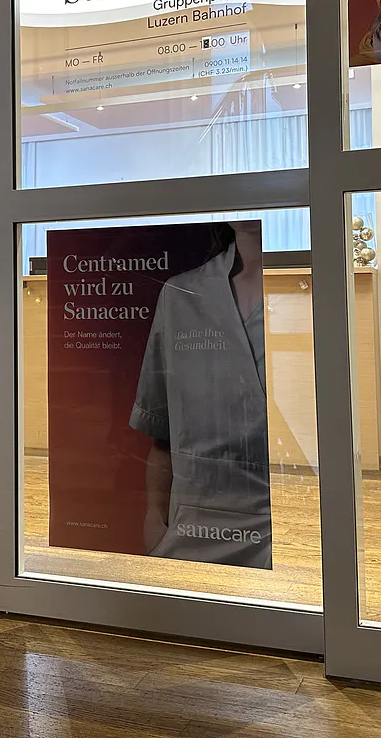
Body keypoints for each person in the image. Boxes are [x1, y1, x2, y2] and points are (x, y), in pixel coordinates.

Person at [130, 222, 273, 569]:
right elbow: (162, 431)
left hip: (280, 525)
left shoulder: (311, 289)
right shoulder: (182, 294)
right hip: (192, 526)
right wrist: (154, 516)